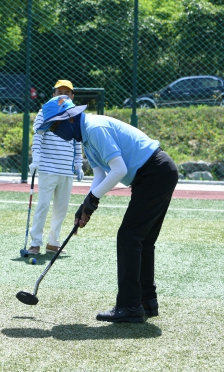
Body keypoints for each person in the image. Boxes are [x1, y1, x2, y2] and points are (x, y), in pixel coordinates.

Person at [37, 95, 178, 323]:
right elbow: (101, 174)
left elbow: (119, 169)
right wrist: (87, 205)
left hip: (155, 173)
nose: (54, 131)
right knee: (142, 240)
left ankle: (130, 307)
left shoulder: (94, 129)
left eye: (55, 125)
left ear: (70, 120)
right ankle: (146, 302)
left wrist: (93, 198)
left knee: (129, 237)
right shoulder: (85, 136)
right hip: (156, 174)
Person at [27, 80, 83, 256]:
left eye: (67, 92)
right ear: (53, 94)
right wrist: (36, 158)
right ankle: (35, 242)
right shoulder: (45, 111)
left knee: (61, 207)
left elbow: (77, 141)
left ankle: (53, 242)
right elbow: (38, 134)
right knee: (43, 205)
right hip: (47, 168)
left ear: (72, 96)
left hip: (66, 170)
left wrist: (78, 164)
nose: (63, 95)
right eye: (60, 92)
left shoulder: (74, 114)